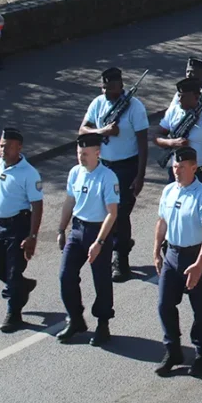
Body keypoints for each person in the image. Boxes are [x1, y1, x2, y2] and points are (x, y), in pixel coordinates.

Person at [153, 146, 202, 378]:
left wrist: (200, 264)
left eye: (181, 166)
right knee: (164, 305)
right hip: (172, 255)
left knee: (200, 309)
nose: (176, 170)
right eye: (174, 166)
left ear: (194, 167)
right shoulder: (169, 190)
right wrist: (156, 252)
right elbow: (162, 222)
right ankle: (173, 351)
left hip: (194, 256)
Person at [79, 67, 148, 283]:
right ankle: (118, 244)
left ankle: (121, 259)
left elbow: (143, 143)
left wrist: (140, 175)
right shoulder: (98, 103)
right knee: (105, 211)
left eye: (111, 88)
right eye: (104, 87)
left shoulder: (135, 107)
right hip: (103, 166)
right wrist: (102, 132)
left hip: (127, 166)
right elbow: (83, 129)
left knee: (121, 212)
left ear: (121, 85)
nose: (107, 92)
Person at [56, 133, 119, 345]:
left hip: (98, 231)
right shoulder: (75, 173)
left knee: (101, 280)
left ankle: (103, 324)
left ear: (97, 153)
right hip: (77, 229)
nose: (81, 157)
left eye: (85, 153)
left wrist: (99, 243)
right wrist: (61, 229)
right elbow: (69, 201)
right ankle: (75, 319)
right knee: (66, 275)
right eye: (78, 153)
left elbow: (112, 213)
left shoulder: (107, 177)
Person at [0, 127, 43, 333]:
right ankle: (22, 286)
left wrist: (32, 236)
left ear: (19, 148)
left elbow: (37, 205)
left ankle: (14, 314)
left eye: (8, 146)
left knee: (13, 270)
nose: (3, 150)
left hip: (18, 226)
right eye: (1, 145)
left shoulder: (28, 173)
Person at [156, 78, 202, 200]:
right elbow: (156, 136)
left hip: (200, 173)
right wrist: (171, 142)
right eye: (179, 95)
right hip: (176, 172)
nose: (179, 99)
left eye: (184, 96)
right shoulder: (173, 112)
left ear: (196, 97)